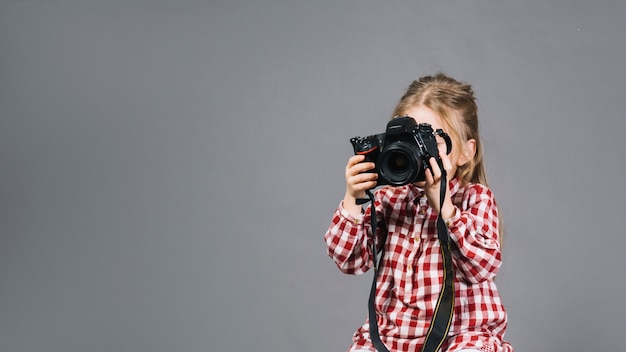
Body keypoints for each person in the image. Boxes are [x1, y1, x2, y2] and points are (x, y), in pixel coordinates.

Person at [324, 73, 514, 352]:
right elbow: (350, 261)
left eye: (431, 141)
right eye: (412, 143)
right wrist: (353, 199)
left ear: (465, 152)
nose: (422, 153)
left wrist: (446, 209)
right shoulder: (390, 200)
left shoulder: (474, 198)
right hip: (390, 339)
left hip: (459, 337)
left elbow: (482, 267)